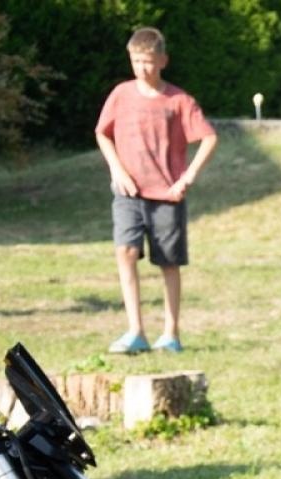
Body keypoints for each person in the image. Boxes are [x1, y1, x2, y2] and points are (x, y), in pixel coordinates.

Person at [95, 26, 217, 354]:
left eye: (148, 61)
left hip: (167, 196)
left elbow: (209, 137)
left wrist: (187, 178)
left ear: (163, 60)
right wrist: (117, 169)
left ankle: (171, 334)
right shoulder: (121, 95)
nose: (142, 68)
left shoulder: (178, 100)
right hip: (128, 193)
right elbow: (102, 133)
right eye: (136, 61)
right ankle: (135, 330)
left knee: (168, 263)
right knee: (125, 251)